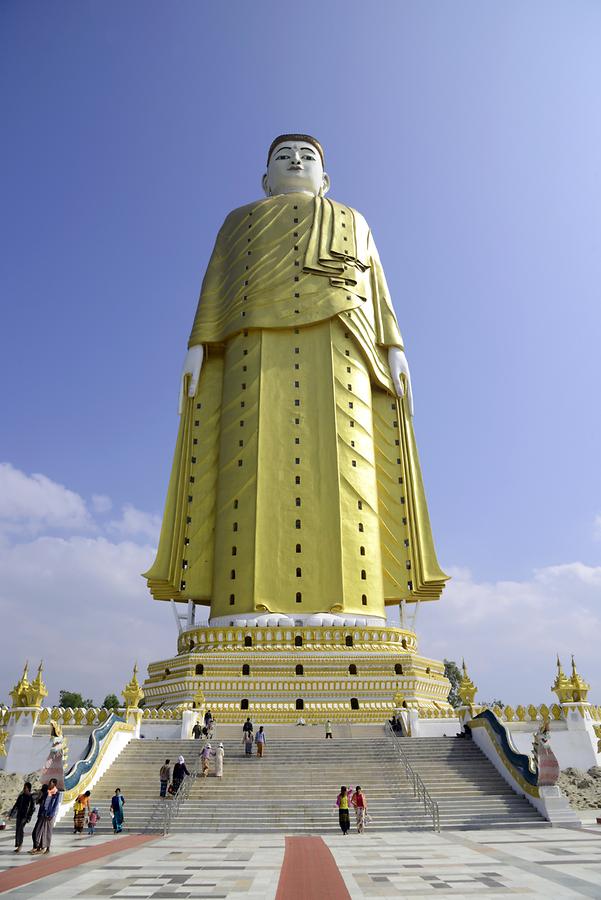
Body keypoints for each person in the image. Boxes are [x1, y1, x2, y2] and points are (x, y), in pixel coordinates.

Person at [144, 134, 448, 623]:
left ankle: (355, 610)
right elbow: (216, 281)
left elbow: (377, 286)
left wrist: (396, 349)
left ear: (325, 180)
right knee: (248, 470)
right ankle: (241, 611)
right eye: (283, 157)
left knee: (350, 470)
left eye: (308, 157)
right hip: (251, 346)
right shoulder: (238, 221)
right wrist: (197, 345)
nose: (295, 161)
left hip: (341, 345)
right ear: (266, 180)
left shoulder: (353, 219)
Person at [30, 778, 61, 853]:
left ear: (54, 785)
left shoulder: (57, 794)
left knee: (47, 831)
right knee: (38, 830)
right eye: (49, 783)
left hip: (50, 815)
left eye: (51, 783)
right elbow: (41, 802)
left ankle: (47, 847)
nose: (49, 784)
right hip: (43, 813)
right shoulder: (46, 792)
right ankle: (38, 846)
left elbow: (55, 805)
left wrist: (51, 814)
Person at [9, 781, 35, 853]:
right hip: (19, 815)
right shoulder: (21, 796)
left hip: (25, 816)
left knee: (20, 829)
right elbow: (16, 805)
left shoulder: (31, 798)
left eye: (25, 787)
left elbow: (32, 809)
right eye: (24, 787)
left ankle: (20, 846)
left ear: (28, 788)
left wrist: (29, 817)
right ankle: (18, 845)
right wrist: (11, 814)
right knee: (18, 830)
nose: (24, 789)